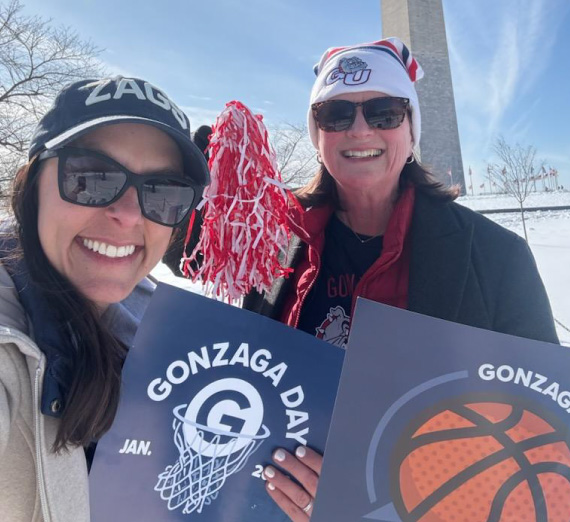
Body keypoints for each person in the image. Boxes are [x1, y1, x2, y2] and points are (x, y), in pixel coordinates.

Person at [240, 38, 559, 520]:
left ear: (411, 129)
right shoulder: (273, 249)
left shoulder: (497, 258)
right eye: (336, 114)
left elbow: (543, 435)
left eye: (385, 112)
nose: (360, 129)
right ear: (318, 134)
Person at [0, 76, 209, 522]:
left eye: (163, 192)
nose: (129, 214)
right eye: (92, 177)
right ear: (31, 182)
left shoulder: (167, 330)